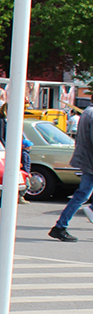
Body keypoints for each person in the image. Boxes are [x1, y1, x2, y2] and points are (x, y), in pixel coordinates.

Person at [49, 103, 93, 242]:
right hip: (90, 160)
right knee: (82, 194)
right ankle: (60, 226)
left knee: (82, 193)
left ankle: (60, 227)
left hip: (87, 160)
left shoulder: (87, 112)